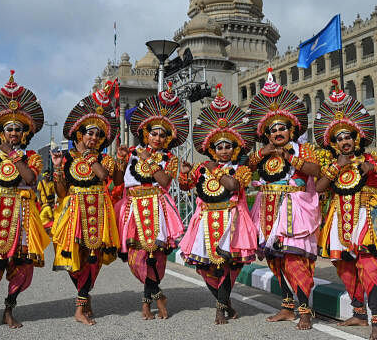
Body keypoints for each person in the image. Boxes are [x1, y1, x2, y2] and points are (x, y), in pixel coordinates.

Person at [314, 80, 377, 340]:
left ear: (357, 138)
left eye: (348, 136)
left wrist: (376, 169)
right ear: (333, 143)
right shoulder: (333, 165)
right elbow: (319, 188)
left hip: (366, 218)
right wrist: (335, 168)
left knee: (370, 268)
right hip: (338, 219)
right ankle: (358, 313)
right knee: (344, 266)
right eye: (339, 138)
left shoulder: (371, 159)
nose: (345, 141)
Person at [0, 70, 50, 331]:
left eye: (18, 129)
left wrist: (13, 156)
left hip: (22, 212)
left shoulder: (32, 156)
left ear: (25, 133)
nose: (13, 133)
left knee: (22, 265)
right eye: (8, 129)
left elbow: (31, 178)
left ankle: (10, 308)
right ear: (0, 131)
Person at [245, 68, 321, 330]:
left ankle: (304, 310)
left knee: (294, 259)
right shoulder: (264, 152)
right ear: (266, 133)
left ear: (291, 130)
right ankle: (288, 307)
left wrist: (290, 157)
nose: (278, 133)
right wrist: (260, 154)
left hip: (294, 210)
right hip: (266, 210)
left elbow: (316, 171)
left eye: (282, 128)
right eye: (272, 129)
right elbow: (245, 170)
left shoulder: (303, 149)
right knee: (275, 261)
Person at [178, 84, 257, 324]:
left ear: (235, 148)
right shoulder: (201, 168)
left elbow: (233, 187)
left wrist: (215, 171)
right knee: (204, 267)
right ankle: (226, 302)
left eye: (228, 146)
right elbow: (186, 186)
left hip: (231, 221)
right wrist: (183, 173)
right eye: (219, 146)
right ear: (211, 148)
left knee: (229, 267)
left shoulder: (240, 169)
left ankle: (220, 307)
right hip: (205, 221)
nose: (223, 150)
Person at [112, 82, 187, 320]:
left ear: (167, 139)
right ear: (146, 133)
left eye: (162, 135)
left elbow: (164, 182)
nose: (157, 137)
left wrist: (150, 160)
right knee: (137, 258)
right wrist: (121, 161)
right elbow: (118, 180)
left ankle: (146, 302)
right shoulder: (133, 154)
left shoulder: (169, 158)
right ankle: (158, 295)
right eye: (154, 133)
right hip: (133, 208)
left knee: (156, 257)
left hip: (157, 208)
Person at [51, 82, 120, 325]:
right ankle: (84, 296)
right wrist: (58, 169)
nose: (94, 137)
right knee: (73, 258)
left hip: (98, 208)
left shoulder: (103, 158)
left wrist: (92, 159)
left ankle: (80, 305)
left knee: (94, 256)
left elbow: (103, 177)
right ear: (80, 133)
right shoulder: (67, 157)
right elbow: (61, 192)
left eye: (98, 134)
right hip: (73, 209)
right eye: (90, 132)